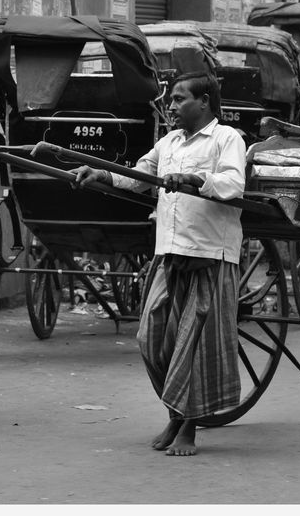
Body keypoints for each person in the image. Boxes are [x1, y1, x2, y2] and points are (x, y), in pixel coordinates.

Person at [72, 72, 247, 456]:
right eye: (170, 99)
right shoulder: (168, 142)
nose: (170, 106)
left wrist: (194, 179)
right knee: (150, 336)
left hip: (209, 256)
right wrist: (100, 173)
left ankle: (187, 427)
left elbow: (234, 185)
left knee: (193, 346)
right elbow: (138, 177)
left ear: (204, 102)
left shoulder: (226, 139)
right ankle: (175, 409)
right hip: (170, 253)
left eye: (179, 99)